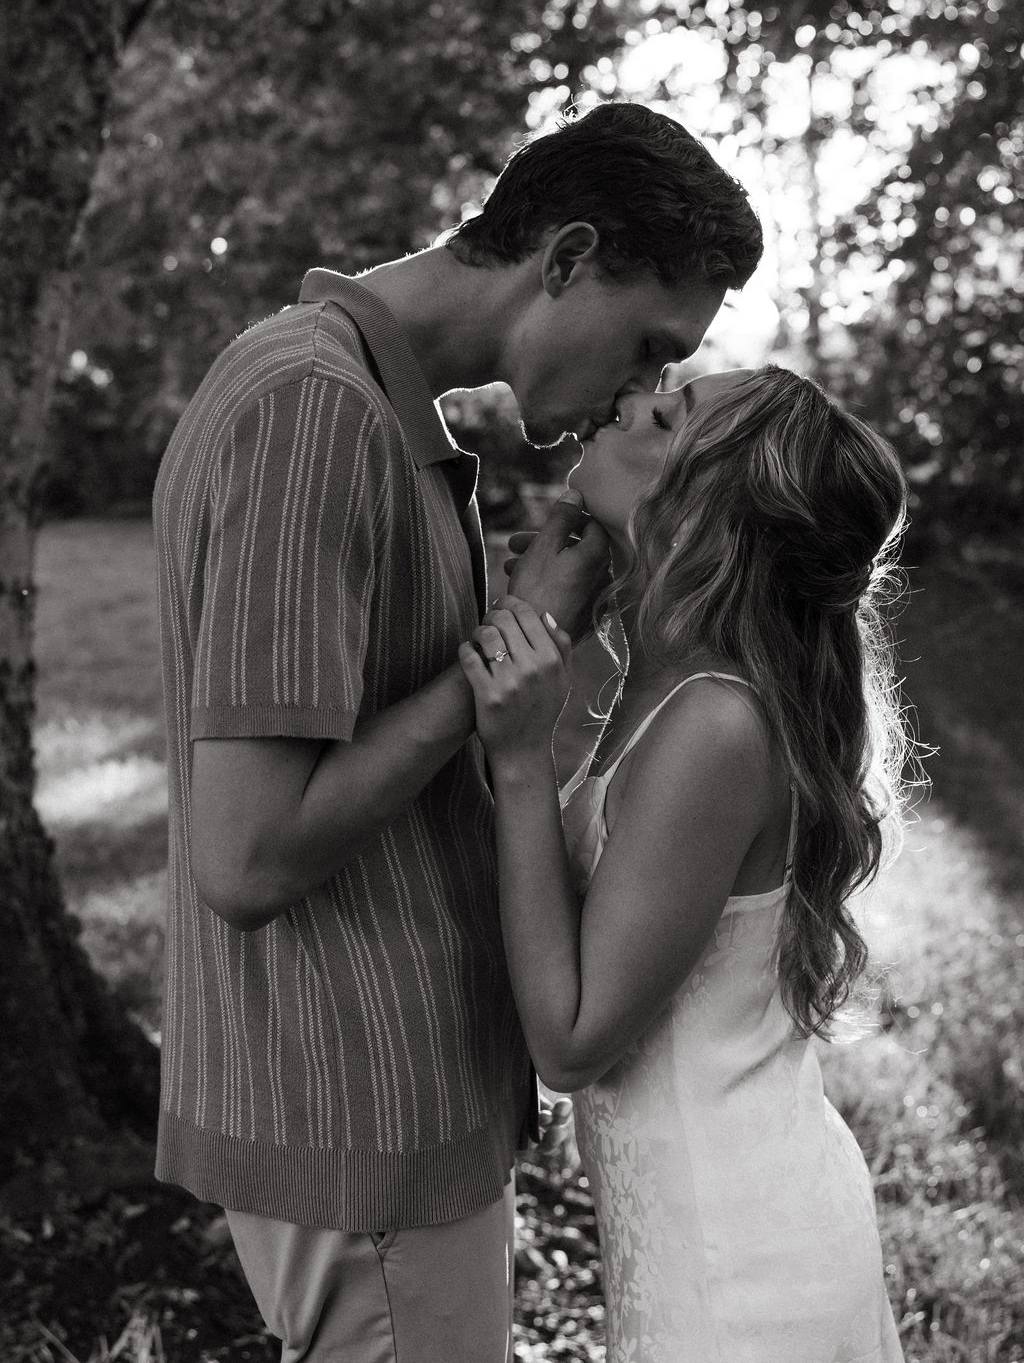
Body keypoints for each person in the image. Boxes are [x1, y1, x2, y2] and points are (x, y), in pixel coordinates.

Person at [152, 101, 764, 1363]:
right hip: (360, 1105)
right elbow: (247, 858)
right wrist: (510, 647)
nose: (644, 390)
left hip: (391, 1098)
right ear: (568, 256)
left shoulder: (378, 414)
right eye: (648, 345)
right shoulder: (310, 413)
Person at [460, 365, 909, 1362]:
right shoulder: (679, 683)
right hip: (707, 1236)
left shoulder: (713, 722)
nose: (625, 399)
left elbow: (572, 1042)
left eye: (665, 418)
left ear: (704, 513)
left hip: (742, 1271)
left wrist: (521, 759)